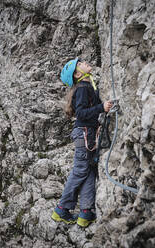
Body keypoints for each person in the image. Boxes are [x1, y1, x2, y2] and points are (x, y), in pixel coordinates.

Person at [51, 58, 113, 228]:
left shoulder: (87, 87)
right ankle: (62, 209)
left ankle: (86, 212)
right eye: (80, 64)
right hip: (85, 134)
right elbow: (82, 113)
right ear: (78, 74)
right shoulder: (83, 88)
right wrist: (102, 108)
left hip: (87, 134)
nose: (84, 62)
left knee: (89, 171)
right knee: (80, 171)